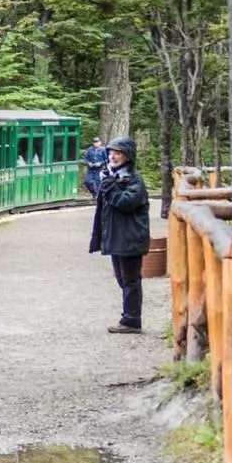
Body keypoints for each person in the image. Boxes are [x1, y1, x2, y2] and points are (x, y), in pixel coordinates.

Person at [89, 136, 151, 334]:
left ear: (128, 156)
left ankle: (132, 320)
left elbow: (124, 202)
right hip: (118, 236)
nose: (112, 156)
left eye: (118, 153)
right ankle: (130, 317)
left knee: (130, 279)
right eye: (111, 152)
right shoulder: (112, 175)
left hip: (130, 237)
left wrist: (107, 184)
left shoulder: (134, 180)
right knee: (122, 279)